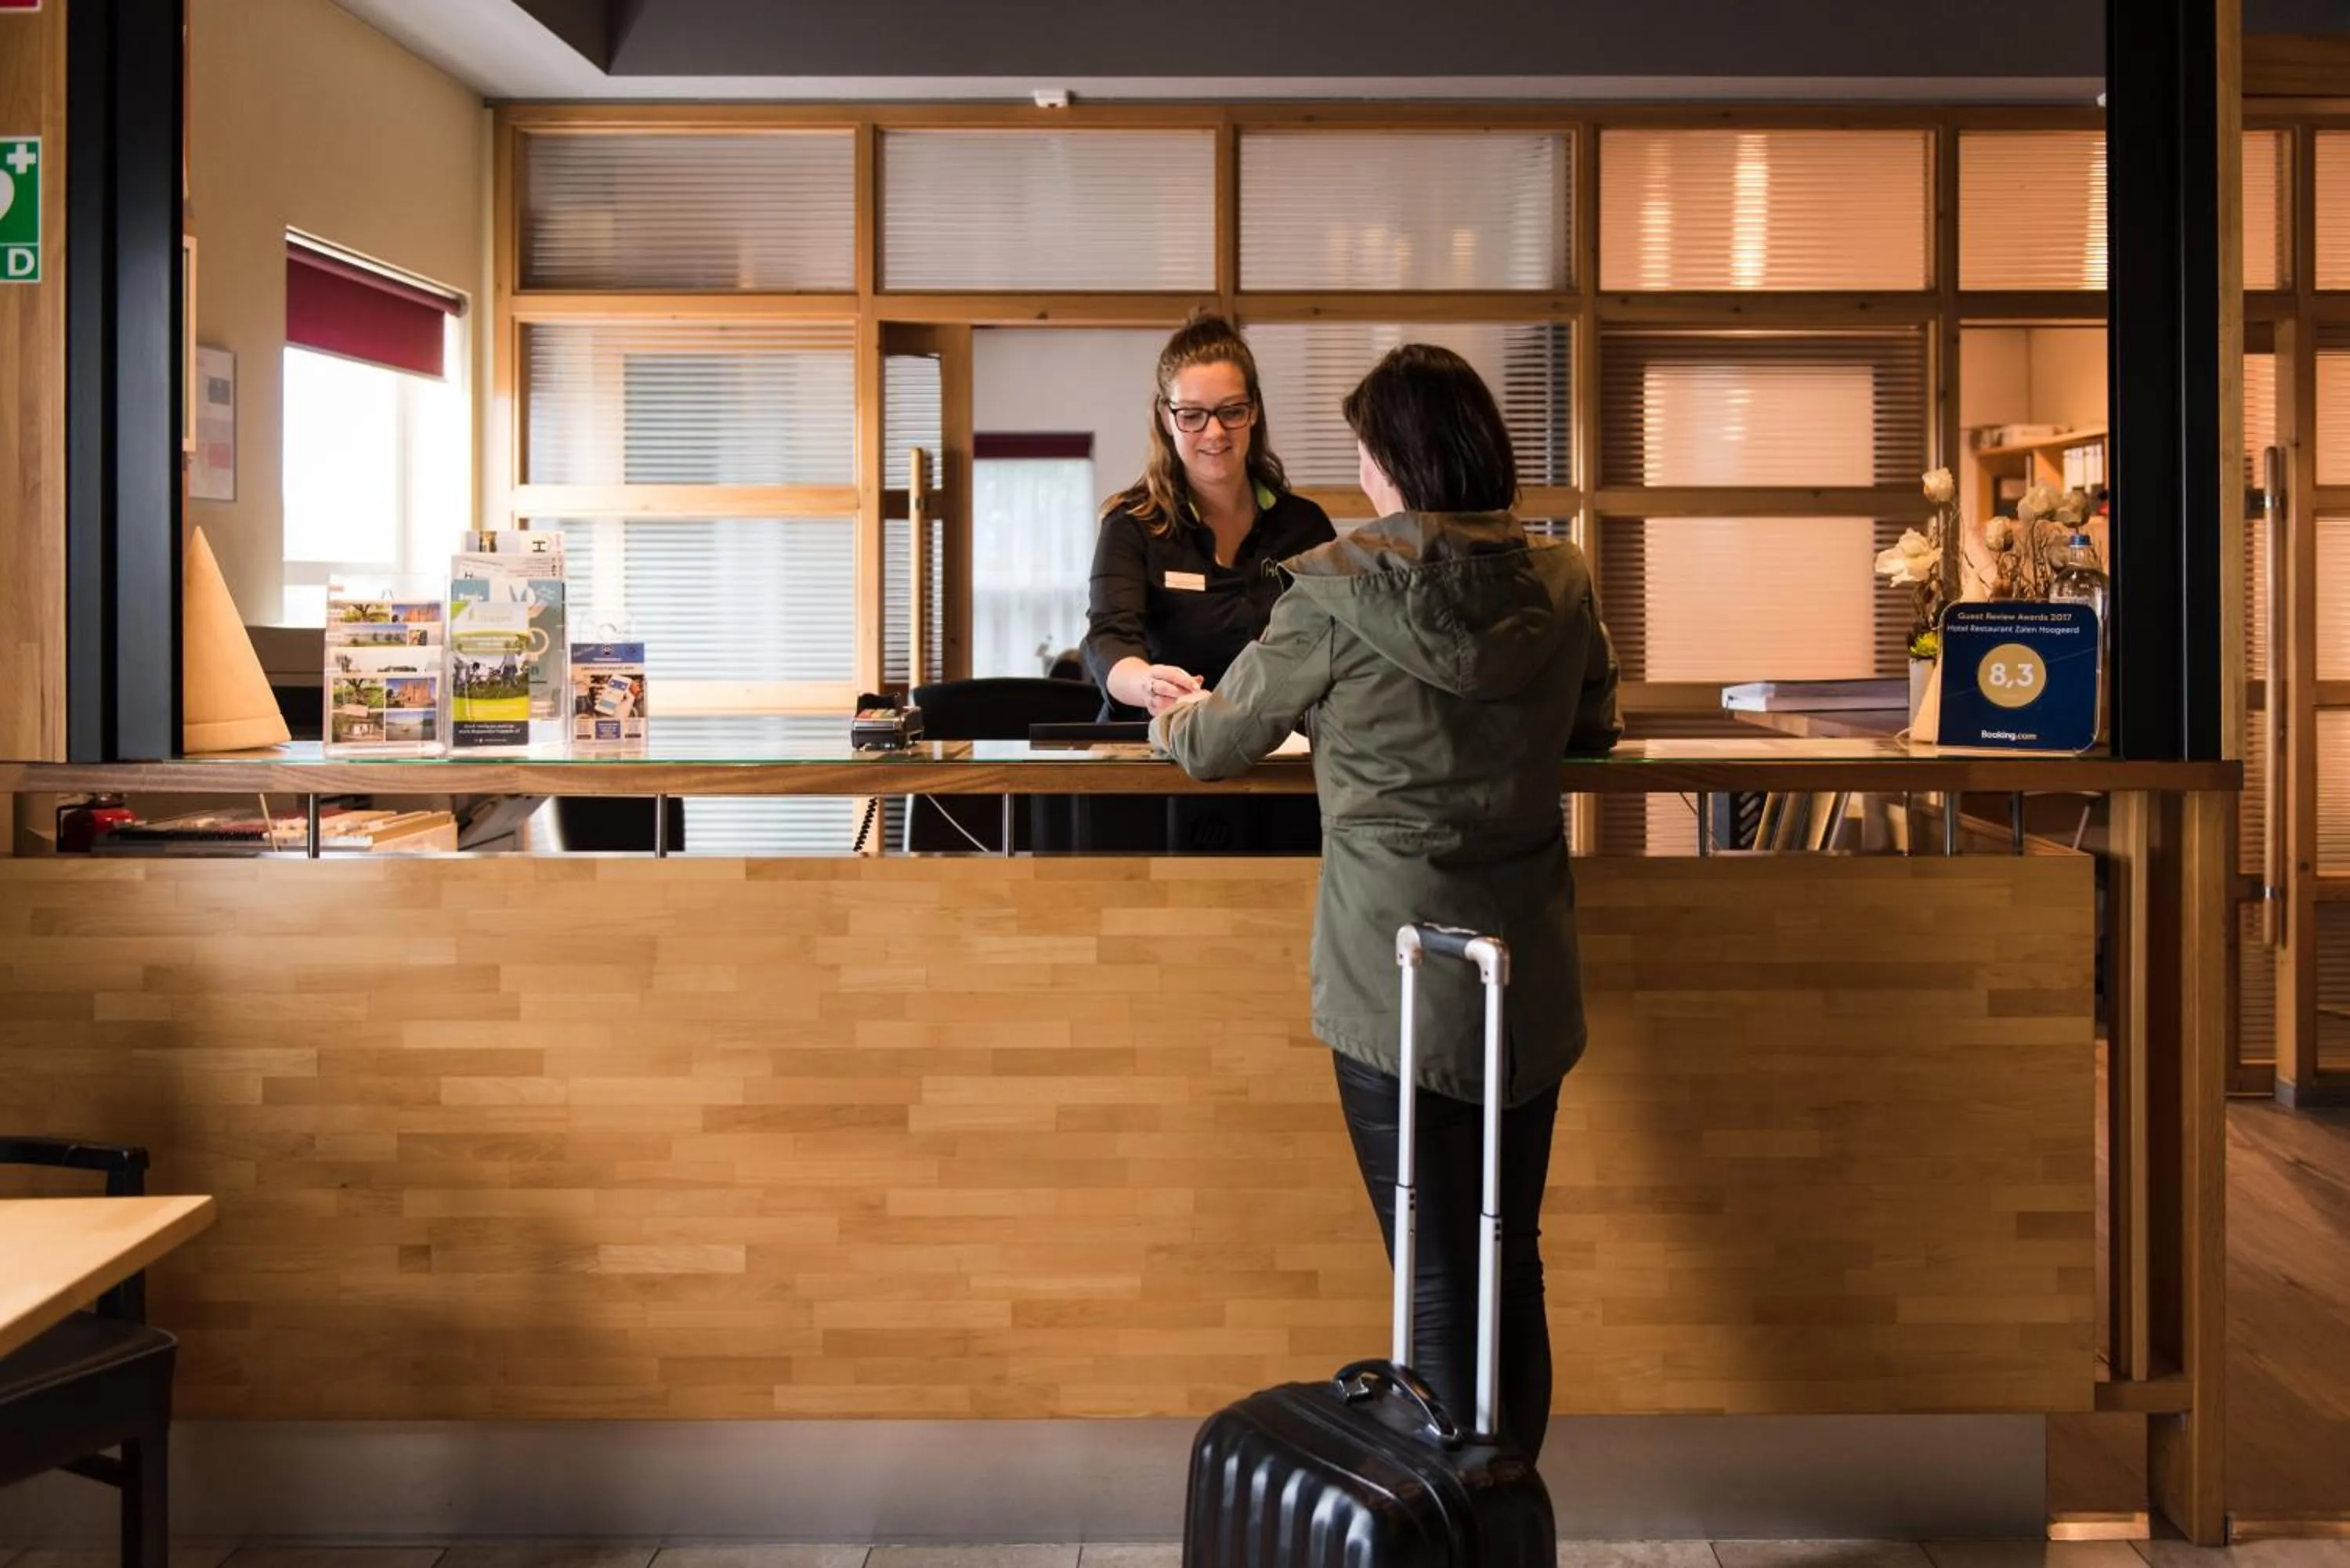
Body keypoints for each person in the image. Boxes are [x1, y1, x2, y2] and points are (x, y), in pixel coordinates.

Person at [1151, 343, 1621, 1459]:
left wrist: (1170, 714)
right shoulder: (1561, 583)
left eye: (1365, 450)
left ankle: (1449, 1519)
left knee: (1432, 1260)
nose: (1359, 472)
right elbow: (1593, 729)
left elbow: (1218, 745)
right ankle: (1505, 1514)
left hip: (1392, 967)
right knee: (1513, 1254)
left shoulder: (1329, 586)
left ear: (1394, 461)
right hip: (1524, 969)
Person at [1082, 314, 1336, 721]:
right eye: (1193, 415)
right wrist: (1147, 684)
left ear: (1254, 410)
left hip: (1277, 756)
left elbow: (1337, 644)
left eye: (1231, 411)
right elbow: (1109, 640)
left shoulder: (1305, 527)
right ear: (1167, 418)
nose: (1215, 432)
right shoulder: (1131, 525)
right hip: (1157, 753)